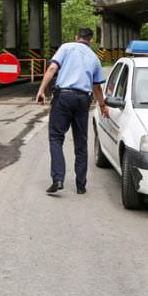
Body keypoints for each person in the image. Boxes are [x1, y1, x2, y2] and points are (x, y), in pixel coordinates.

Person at [36, 27, 110, 194]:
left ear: (76, 37)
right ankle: (81, 185)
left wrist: (41, 90)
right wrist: (103, 105)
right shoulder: (95, 58)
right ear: (90, 40)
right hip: (83, 100)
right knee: (81, 142)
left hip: (63, 97)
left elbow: (52, 69)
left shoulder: (66, 47)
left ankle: (58, 179)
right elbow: (97, 86)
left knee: (56, 137)